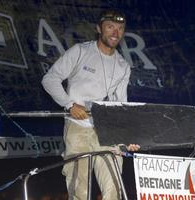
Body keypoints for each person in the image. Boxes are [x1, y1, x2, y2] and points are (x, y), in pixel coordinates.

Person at [42, 9, 140, 200]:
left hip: (107, 131)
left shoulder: (123, 65)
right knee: (80, 191)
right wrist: (70, 105)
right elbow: (50, 79)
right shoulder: (80, 51)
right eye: (110, 27)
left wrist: (127, 137)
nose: (115, 32)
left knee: (113, 190)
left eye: (120, 28)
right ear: (98, 29)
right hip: (78, 128)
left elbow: (121, 105)